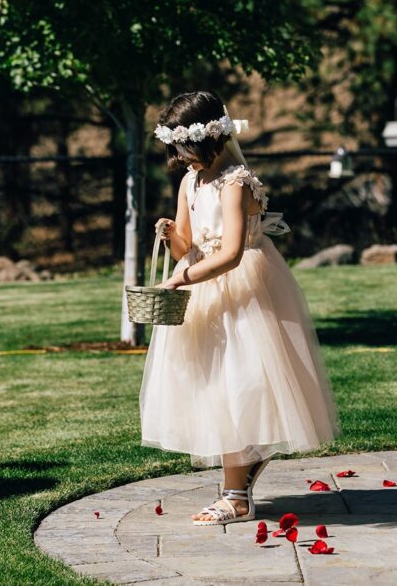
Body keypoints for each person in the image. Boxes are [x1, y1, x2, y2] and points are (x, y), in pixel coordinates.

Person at [139, 91, 340, 526]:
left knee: (239, 382)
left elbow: (230, 253)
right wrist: (172, 235)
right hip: (203, 291)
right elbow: (187, 247)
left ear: (211, 136)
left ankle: (236, 495)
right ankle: (243, 470)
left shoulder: (236, 182)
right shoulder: (190, 182)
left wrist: (181, 278)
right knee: (212, 385)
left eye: (185, 144)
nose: (179, 154)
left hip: (242, 291)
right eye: (174, 146)